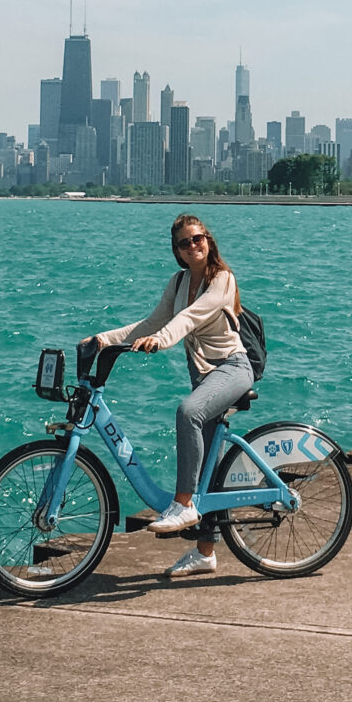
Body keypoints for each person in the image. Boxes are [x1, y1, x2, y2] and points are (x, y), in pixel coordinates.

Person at [84, 214, 254, 578]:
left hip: (233, 369)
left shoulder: (222, 279)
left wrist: (161, 341)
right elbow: (150, 323)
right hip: (206, 378)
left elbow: (190, 319)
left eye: (198, 239)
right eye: (184, 243)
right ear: (176, 252)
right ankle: (205, 553)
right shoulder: (178, 283)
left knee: (187, 412)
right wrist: (105, 339)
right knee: (209, 468)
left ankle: (183, 504)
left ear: (208, 241)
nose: (193, 246)